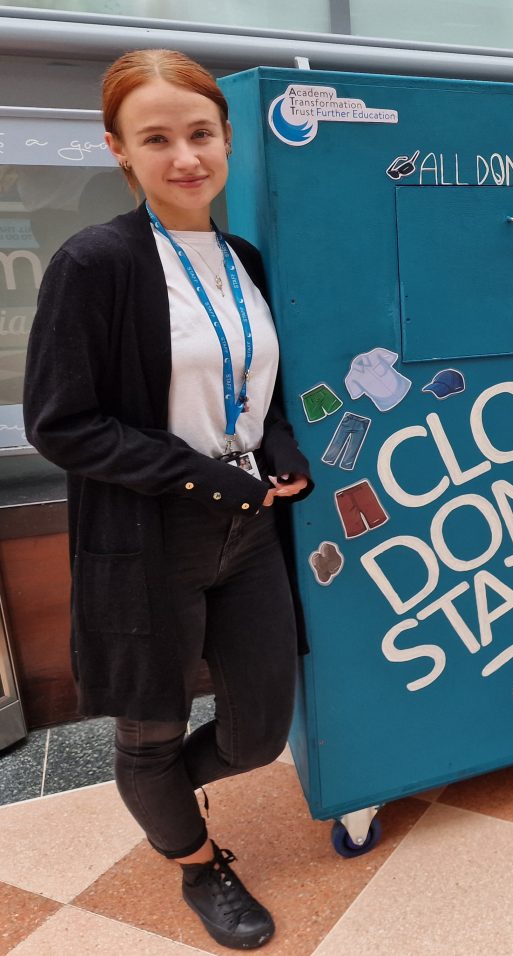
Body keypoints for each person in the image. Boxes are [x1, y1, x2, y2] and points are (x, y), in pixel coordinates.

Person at [23, 49, 312, 948]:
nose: (185, 157)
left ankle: (157, 798)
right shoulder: (93, 264)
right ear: (118, 149)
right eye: (157, 139)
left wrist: (277, 448)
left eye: (200, 134)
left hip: (250, 529)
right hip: (148, 532)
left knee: (260, 730)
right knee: (150, 731)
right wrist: (209, 474)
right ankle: (195, 862)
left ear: (227, 139)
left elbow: (256, 383)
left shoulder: (243, 258)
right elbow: (61, 423)